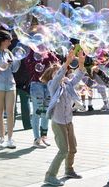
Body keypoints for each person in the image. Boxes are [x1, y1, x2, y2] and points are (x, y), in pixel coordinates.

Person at [43, 50, 86, 186]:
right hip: (58, 122)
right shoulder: (52, 86)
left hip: (68, 121)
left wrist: (80, 63)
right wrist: (66, 62)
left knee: (72, 148)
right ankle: (50, 176)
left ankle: (69, 170)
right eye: (57, 72)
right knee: (63, 150)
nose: (60, 74)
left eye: (61, 72)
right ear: (52, 76)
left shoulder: (67, 84)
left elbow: (78, 77)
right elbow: (57, 77)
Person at [26, 49, 60, 148]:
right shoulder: (32, 52)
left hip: (48, 84)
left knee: (46, 111)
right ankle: (36, 139)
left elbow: (57, 64)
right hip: (37, 84)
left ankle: (43, 136)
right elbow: (28, 65)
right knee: (37, 111)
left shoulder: (48, 52)